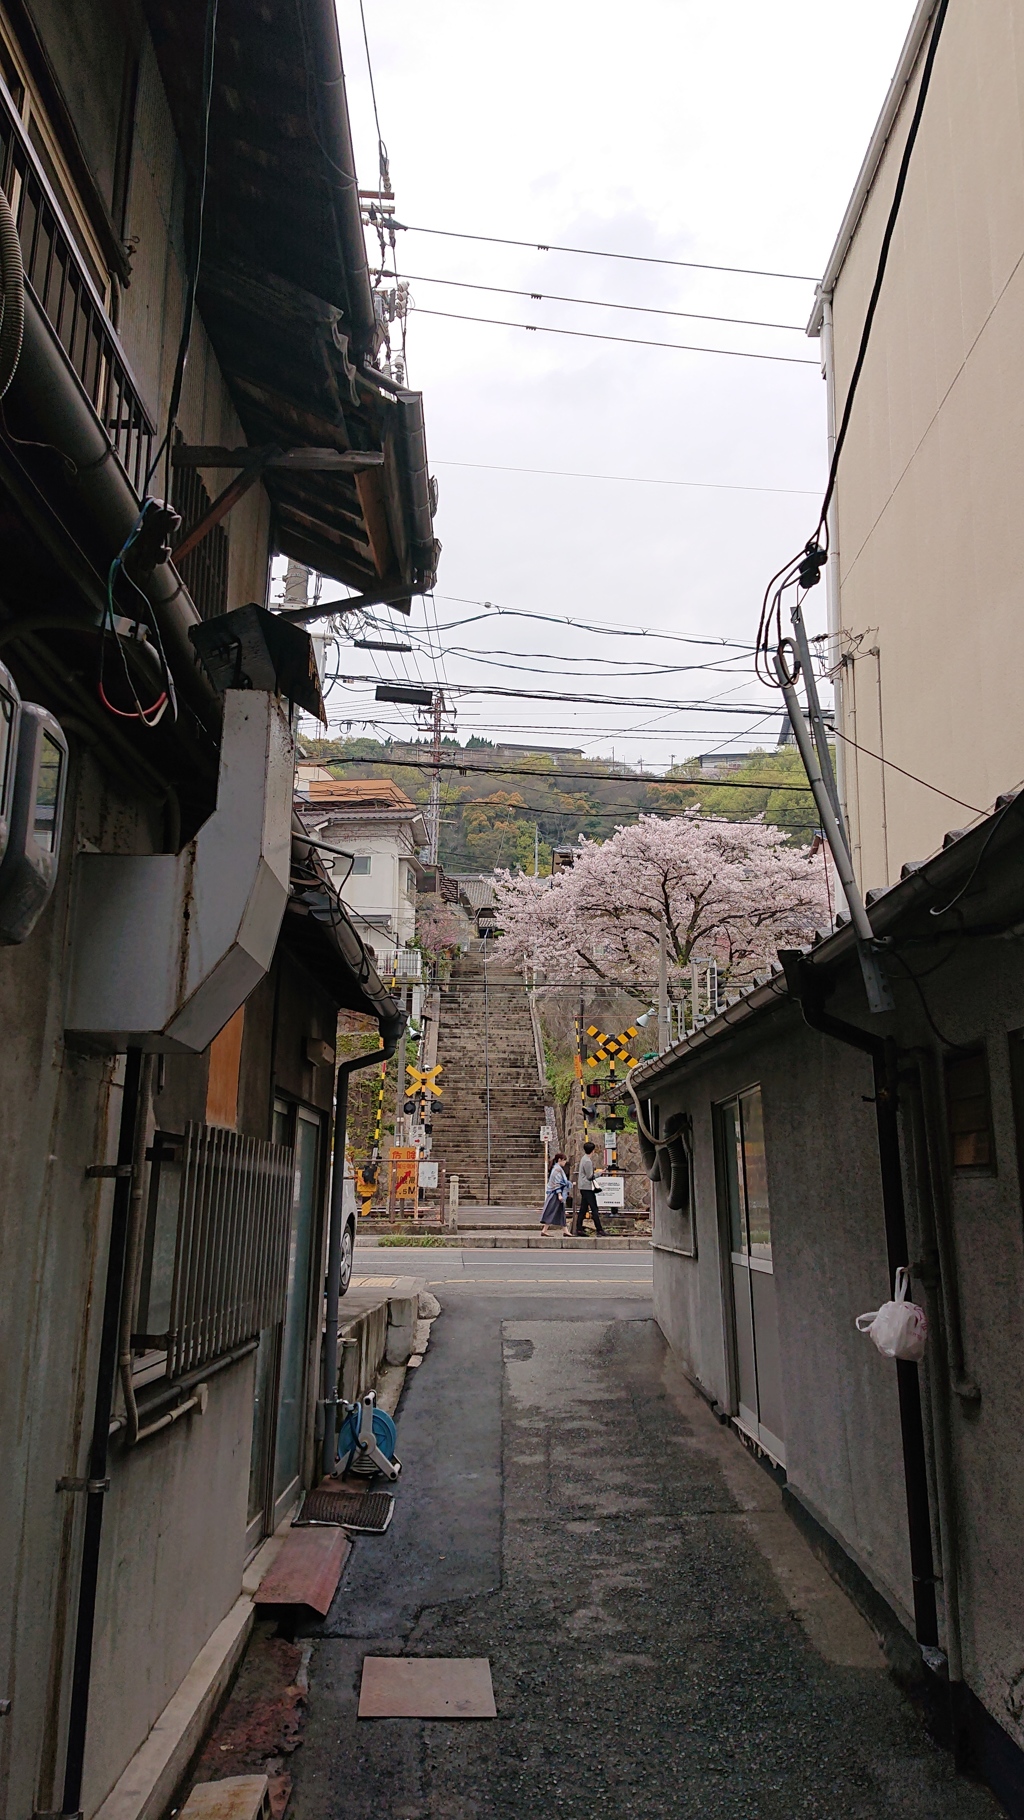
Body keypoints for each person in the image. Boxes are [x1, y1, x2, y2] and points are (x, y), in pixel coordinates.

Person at [574, 1141, 605, 1236]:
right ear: (593, 1150)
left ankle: (579, 1228)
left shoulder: (584, 1158)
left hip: (584, 1187)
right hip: (587, 1187)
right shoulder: (587, 1161)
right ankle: (599, 1230)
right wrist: (600, 1173)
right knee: (594, 1209)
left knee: (583, 1209)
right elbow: (590, 1176)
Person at [540, 1152, 570, 1231]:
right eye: (564, 1160)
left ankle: (565, 1231)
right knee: (552, 1211)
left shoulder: (557, 1168)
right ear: (559, 1160)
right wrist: (559, 1194)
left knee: (560, 1212)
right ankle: (545, 1230)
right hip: (555, 1194)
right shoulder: (557, 1169)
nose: (565, 1162)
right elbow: (557, 1183)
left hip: (555, 1193)